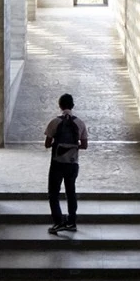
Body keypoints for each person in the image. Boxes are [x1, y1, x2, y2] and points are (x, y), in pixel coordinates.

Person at [43, 93, 88, 234]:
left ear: (60, 105)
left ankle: (58, 222)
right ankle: (71, 222)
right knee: (71, 192)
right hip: (72, 163)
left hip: (57, 162)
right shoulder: (79, 123)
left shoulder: (54, 122)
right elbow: (85, 145)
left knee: (53, 193)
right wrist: (73, 147)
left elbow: (47, 144)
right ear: (72, 106)